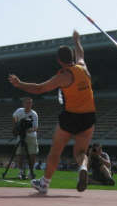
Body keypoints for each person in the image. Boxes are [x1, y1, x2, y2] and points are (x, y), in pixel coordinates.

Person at [8, 30, 95, 194]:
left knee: (56, 150)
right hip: (89, 116)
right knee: (81, 152)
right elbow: (81, 53)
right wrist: (76, 40)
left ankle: (45, 183)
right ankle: (83, 167)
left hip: (70, 116)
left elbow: (40, 88)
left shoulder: (64, 75)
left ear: (59, 61)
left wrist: (19, 84)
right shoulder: (83, 67)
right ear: (72, 58)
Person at [12, 97, 39, 180]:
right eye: (27, 103)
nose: (28, 104)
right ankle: (20, 172)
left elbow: (36, 128)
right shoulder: (19, 111)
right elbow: (14, 117)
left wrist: (28, 130)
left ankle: (30, 172)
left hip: (31, 136)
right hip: (21, 135)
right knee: (19, 154)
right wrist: (17, 125)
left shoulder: (34, 114)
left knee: (32, 154)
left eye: (30, 103)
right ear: (23, 104)